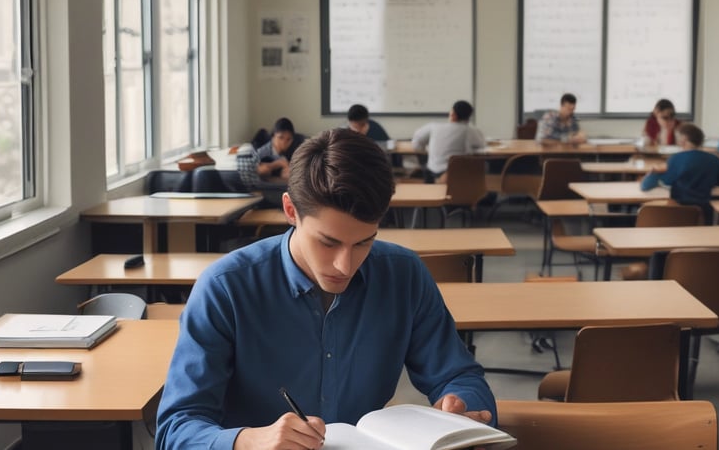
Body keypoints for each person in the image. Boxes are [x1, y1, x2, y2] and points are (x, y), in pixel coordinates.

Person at [155, 128, 497, 450]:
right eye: (328, 243)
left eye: (364, 243)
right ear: (291, 211)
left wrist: (463, 409)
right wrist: (248, 441)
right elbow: (176, 428)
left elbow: (459, 375)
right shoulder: (225, 289)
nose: (345, 266)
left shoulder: (404, 275)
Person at [641, 122, 719, 223]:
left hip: (678, 216)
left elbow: (647, 186)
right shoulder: (715, 160)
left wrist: (654, 171)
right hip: (705, 216)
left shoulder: (675, 159)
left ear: (683, 140)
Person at [411, 100, 484, 183]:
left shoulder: (434, 127)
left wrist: (427, 149)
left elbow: (416, 144)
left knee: (425, 163)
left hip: (437, 173)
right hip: (464, 175)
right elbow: (482, 148)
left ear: (453, 114)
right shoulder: (473, 131)